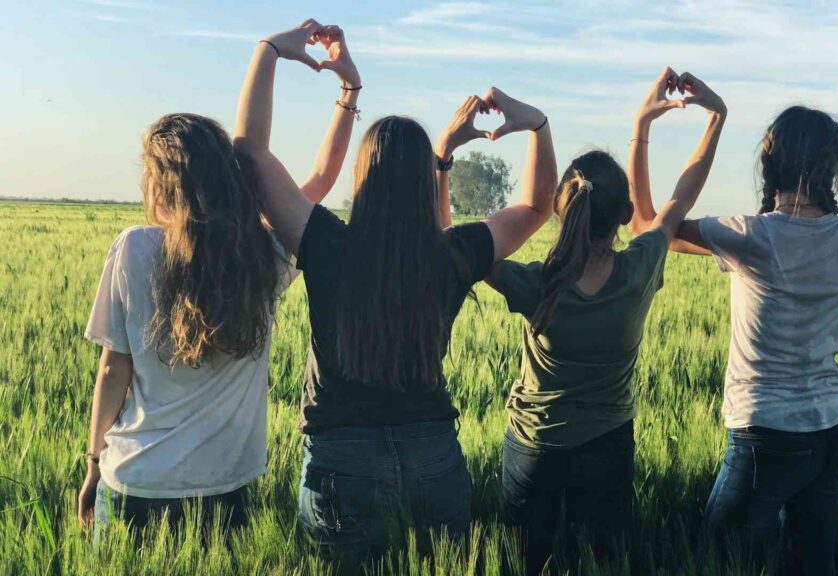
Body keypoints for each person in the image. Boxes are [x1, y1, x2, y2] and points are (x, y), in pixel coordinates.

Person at [232, 19, 558, 569]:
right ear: (422, 184)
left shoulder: (327, 244)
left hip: (340, 460)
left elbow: (249, 155)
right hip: (434, 454)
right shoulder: (452, 254)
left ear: (363, 178)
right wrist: (537, 126)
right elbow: (536, 205)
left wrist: (268, 51)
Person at [76, 91, 352, 542]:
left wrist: (92, 464)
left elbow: (113, 369)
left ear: (161, 184)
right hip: (224, 488)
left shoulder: (133, 248)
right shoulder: (262, 258)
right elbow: (320, 180)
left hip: (135, 480)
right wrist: (347, 95)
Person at [487, 67, 726, 574]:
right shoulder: (639, 268)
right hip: (608, 446)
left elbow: (458, 250)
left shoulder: (537, 283)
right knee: (604, 562)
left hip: (535, 447)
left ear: (560, 211)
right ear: (625, 214)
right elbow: (681, 195)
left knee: (527, 563)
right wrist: (710, 119)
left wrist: (444, 157)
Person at [629, 92, 838, 574]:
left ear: (770, 160)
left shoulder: (751, 234)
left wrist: (643, 126)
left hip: (764, 435)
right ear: (831, 166)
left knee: (720, 558)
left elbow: (645, 224)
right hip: (831, 436)